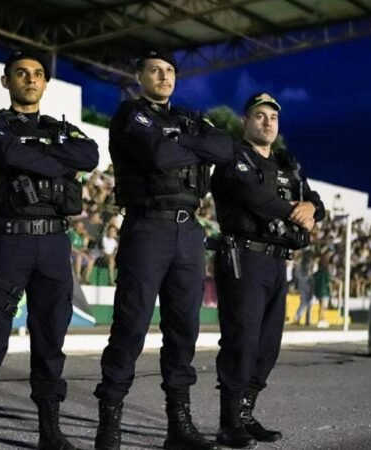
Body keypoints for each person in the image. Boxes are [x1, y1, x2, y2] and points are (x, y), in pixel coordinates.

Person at [0, 49, 98, 450]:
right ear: (7, 82)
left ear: (45, 84)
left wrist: (37, 150)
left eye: (37, 74)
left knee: (51, 339)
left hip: (53, 242)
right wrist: (54, 155)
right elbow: (6, 153)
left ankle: (50, 432)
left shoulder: (57, 127)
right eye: (21, 73)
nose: (31, 79)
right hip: (9, 241)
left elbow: (90, 156)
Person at [93, 49, 233, 450]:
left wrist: (181, 139)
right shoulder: (129, 115)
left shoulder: (188, 118)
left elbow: (224, 148)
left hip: (189, 232)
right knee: (131, 327)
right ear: (139, 75)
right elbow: (160, 155)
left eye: (170, 70)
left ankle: (179, 425)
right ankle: (110, 425)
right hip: (147, 227)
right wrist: (192, 145)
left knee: (183, 331)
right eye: (154, 70)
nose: (164, 76)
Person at [209, 93, 324, 448]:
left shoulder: (288, 164)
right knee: (241, 341)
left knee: (267, 345)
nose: (268, 122)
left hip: (276, 261)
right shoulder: (233, 157)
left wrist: (310, 207)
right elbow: (254, 196)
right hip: (244, 257)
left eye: (273, 117)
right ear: (246, 121)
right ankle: (229, 422)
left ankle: (245, 413)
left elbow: (316, 203)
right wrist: (297, 211)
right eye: (260, 116)